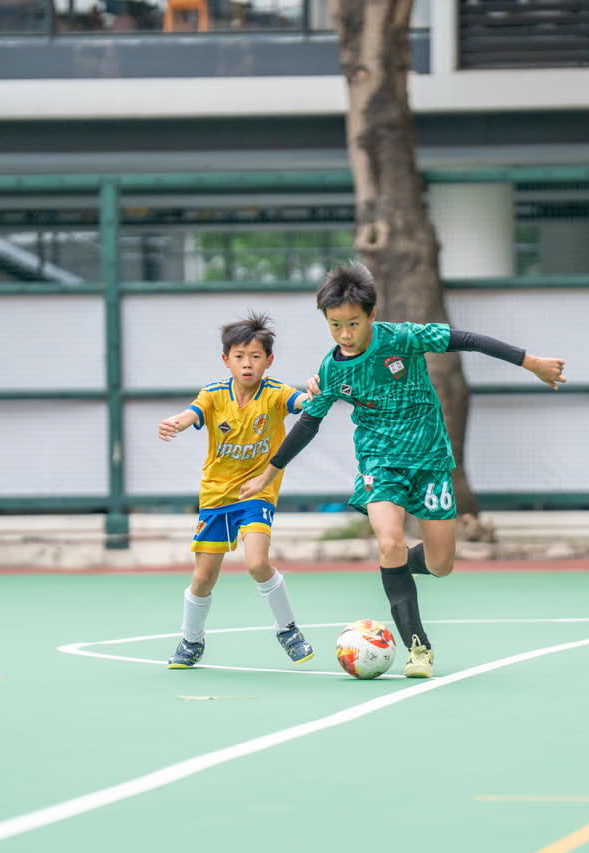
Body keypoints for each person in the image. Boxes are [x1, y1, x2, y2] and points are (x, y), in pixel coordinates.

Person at [239, 261, 566, 678]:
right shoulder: (331, 369)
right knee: (391, 541)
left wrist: (531, 362)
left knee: (441, 564)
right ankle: (419, 648)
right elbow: (308, 424)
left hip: (430, 460)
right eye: (335, 325)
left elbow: (468, 339)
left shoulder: (404, 338)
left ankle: (391, 566)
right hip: (379, 463)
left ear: (372, 315)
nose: (344, 334)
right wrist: (269, 473)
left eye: (353, 324)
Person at [158, 312, 315, 668]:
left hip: (256, 493)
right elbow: (191, 414)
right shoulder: (214, 395)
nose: (247, 363)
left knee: (257, 562)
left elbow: (302, 402)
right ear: (226, 360)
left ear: (268, 361)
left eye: (255, 356)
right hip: (216, 496)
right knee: (203, 578)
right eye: (239, 356)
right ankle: (191, 641)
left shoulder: (274, 394)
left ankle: (288, 630)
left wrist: (313, 395)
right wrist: (174, 423)